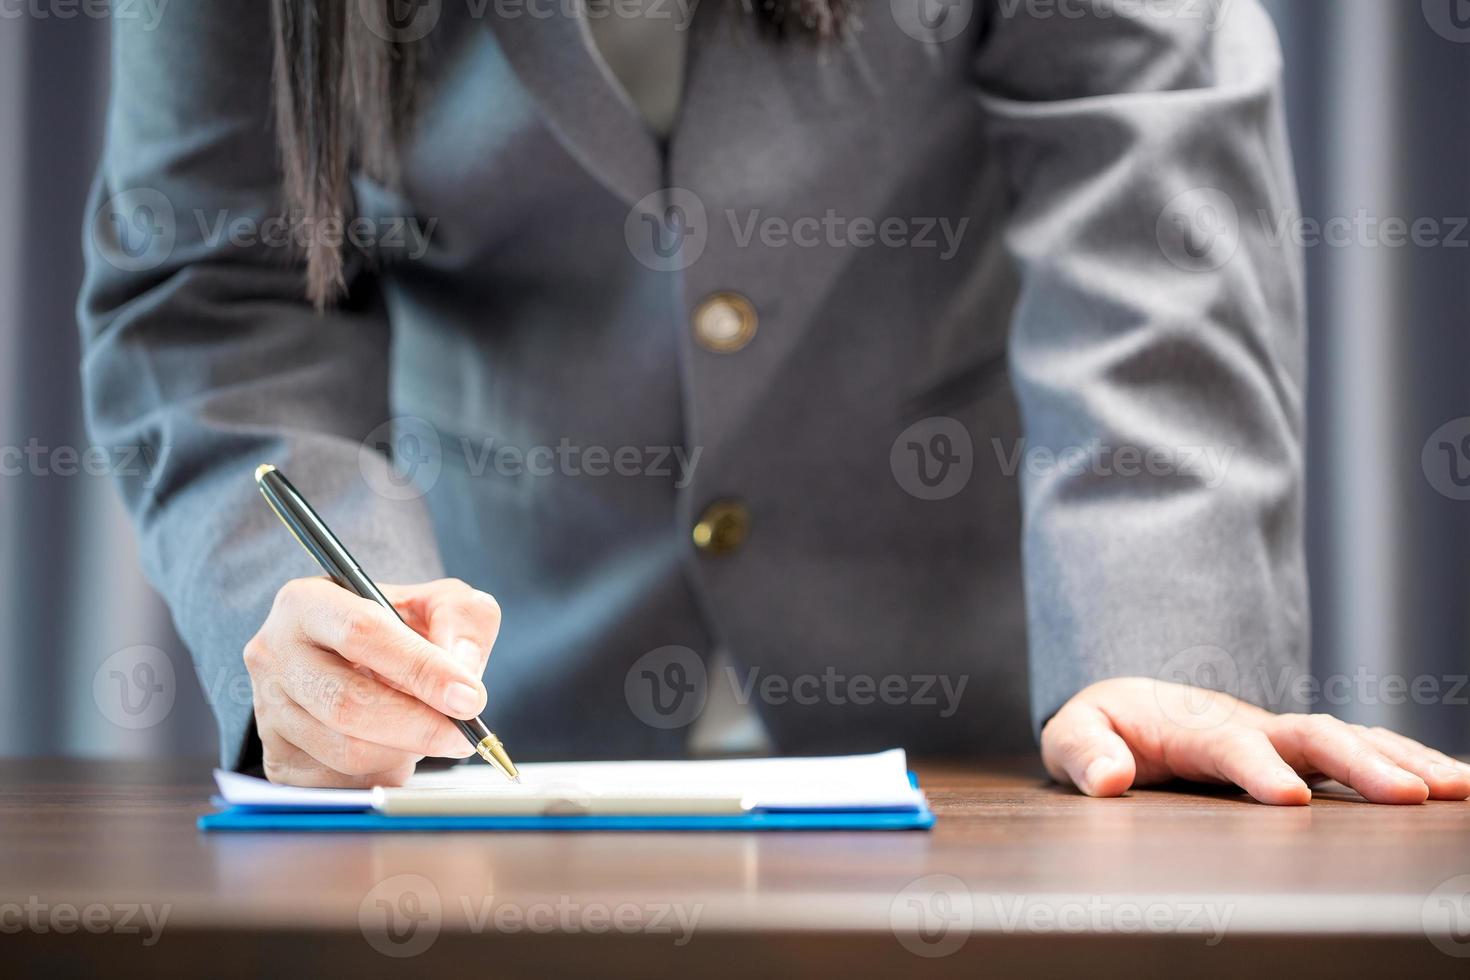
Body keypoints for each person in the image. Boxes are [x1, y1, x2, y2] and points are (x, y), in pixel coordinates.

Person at [79, 0, 1470, 804]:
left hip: (995, 751)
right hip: (499, 765)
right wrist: (335, 635)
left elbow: (1147, 181)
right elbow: (216, 290)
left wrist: (1156, 645)